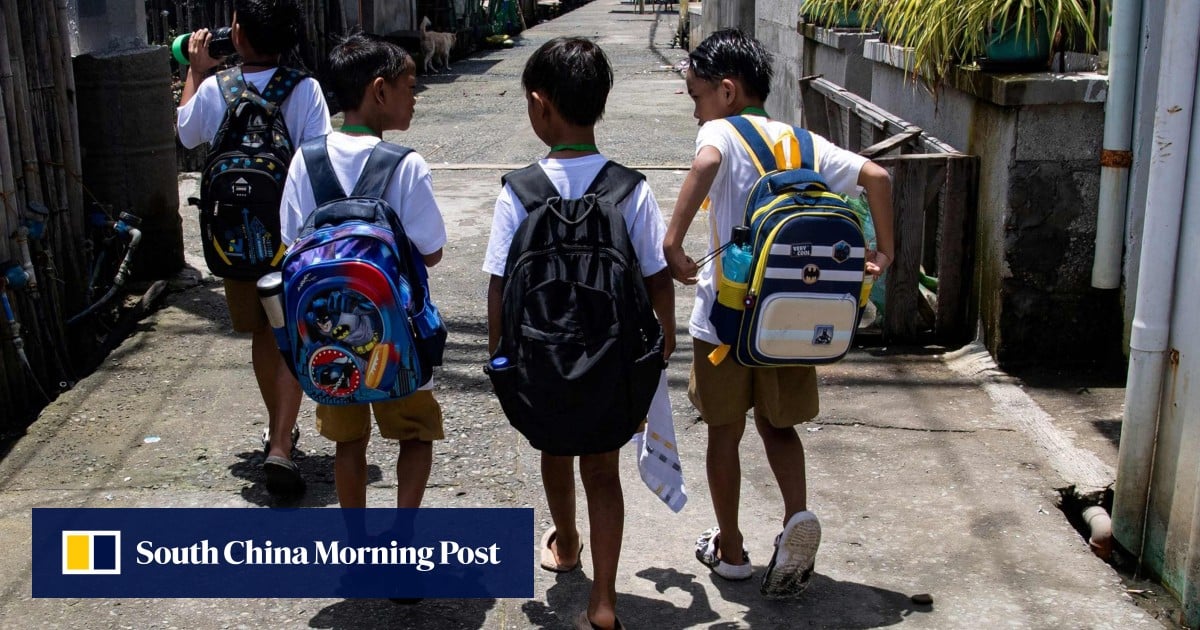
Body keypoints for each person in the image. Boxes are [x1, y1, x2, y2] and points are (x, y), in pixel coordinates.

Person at [662, 28, 895, 599]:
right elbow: (877, 176)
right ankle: (796, 519)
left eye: (696, 97)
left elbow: (706, 162)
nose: (696, 112)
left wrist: (673, 242)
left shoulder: (719, 131)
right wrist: (883, 250)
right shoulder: (803, 142)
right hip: (790, 319)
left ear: (726, 90)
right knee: (779, 426)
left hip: (725, 318)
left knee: (724, 432)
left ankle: (731, 551)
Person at [483, 37, 675, 630]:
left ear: (540, 105)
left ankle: (566, 544)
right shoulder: (631, 189)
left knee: (554, 449)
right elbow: (657, 280)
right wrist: (660, 352)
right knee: (603, 470)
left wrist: (500, 359)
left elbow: (499, 287)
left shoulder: (519, 191)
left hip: (541, 358)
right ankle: (605, 601)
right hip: (612, 362)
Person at [279, 33, 446, 512]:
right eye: (409, 87)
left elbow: (292, 241)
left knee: (348, 443)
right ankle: (403, 537)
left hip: (326, 338)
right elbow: (431, 252)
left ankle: (356, 543)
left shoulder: (306, 159)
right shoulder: (406, 164)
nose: (415, 97)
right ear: (379, 90)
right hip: (397, 336)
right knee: (415, 434)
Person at [176, 0, 331, 498]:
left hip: (234, 239)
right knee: (283, 331)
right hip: (288, 236)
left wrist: (196, 71)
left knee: (262, 333)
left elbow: (186, 133)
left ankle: (280, 435)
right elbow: (317, 159)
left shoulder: (216, 88)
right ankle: (281, 438)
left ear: (237, 35)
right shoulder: (304, 89)